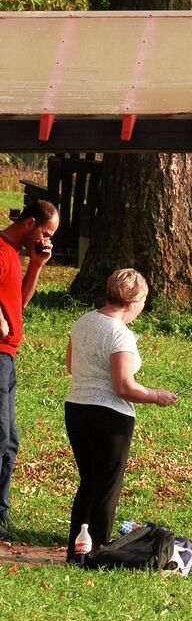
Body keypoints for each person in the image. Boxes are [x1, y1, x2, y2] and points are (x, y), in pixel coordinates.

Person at [64, 268, 178, 559]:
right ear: (134, 301)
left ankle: (77, 547)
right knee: (106, 486)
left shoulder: (82, 323)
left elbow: (71, 366)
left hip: (76, 407)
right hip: (110, 416)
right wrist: (156, 396)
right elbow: (124, 387)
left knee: (88, 481)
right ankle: (99, 549)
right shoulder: (120, 335)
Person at [0, 199, 59, 533]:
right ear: (30, 222)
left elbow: (17, 303)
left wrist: (36, 265)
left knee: (10, 440)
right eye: (46, 233)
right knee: (0, 435)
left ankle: (1, 511)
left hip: (8, 357)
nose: (46, 239)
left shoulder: (14, 254)